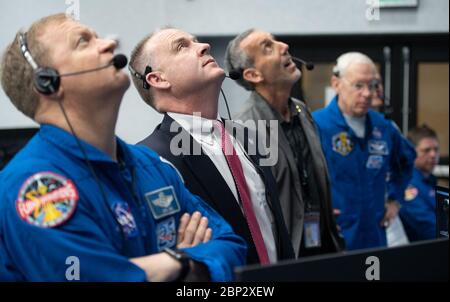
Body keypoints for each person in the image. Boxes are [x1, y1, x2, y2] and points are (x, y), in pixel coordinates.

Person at [0, 14, 246, 281]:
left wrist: (173, 265)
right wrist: (184, 261)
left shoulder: (150, 165)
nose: (109, 44)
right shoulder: (32, 188)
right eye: (83, 42)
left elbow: (231, 245)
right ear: (47, 81)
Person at [129, 27, 294, 265]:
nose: (204, 46)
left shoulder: (248, 137)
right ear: (157, 79)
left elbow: (273, 227)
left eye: (195, 41)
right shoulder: (151, 160)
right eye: (182, 46)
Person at [224, 29, 344, 257]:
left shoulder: (301, 110)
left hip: (323, 244)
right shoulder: (242, 127)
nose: (284, 46)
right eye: (267, 47)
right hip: (284, 254)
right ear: (253, 75)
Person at [312, 52, 416, 250]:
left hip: (374, 235)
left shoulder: (383, 127)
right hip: (334, 238)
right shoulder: (316, 125)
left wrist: (395, 199)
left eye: (373, 85)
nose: (368, 93)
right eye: (358, 85)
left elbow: (406, 162)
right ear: (336, 83)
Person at [399, 125, 440, 241]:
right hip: (420, 253)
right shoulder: (408, 185)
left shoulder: (431, 180)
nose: (433, 155)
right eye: (426, 150)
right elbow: (429, 228)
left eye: (436, 149)